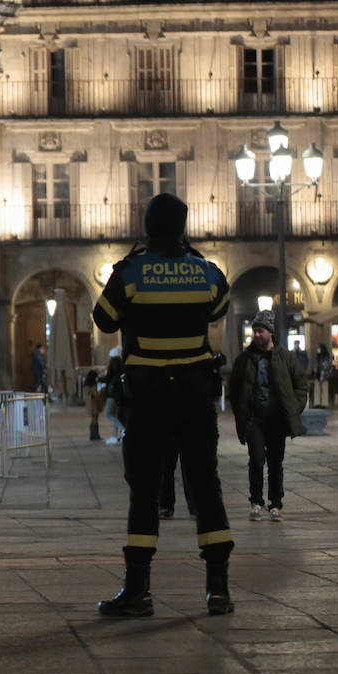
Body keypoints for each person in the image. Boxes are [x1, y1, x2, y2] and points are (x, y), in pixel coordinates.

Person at [91, 192, 235, 617]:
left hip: (148, 399)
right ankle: (218, 589)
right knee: (205, 486)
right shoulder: (206, 272)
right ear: (183, 227)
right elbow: (220, 308)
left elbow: (103, 319)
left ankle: (138, 590)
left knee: (145, 490)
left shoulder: (130, 273)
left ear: (148, 226)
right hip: (195, 397)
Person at [229, 310, 309, 521]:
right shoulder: (245, 359)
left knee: (275, 463)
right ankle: (256, 502)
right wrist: (241, 412)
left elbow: (301, 384)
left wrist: (294, 408)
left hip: (277, 419)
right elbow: (234, 389)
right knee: (256, 460)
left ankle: (276, 503)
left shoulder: (285, 357)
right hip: (254, 419)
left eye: (260, 331)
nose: (256, 335)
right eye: (254, 331)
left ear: (270, 332)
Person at [100, 348, 125, 445]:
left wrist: (99, 379)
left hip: (112, 394)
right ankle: (114, 436)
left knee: (109, 414)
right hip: (120, 394)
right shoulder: (121, 364)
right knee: (115, 415)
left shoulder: (113, 364)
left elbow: (108, 378)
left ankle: (124, 430)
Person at [83, 369, 103, 441]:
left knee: (93, 419)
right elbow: (96, 395)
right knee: (95, 419)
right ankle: (95, 435)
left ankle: (93, 435)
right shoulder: (92, 385)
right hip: (94, 404)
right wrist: (101, 391)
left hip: (89, 405)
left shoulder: (86, 386)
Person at [313, 342, 333, 408]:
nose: (318, 349)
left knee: (325, 389)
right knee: (317, 389)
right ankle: (317, 403)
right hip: (317, 374)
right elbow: (315, 365)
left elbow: (328, 366)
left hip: (324, 375)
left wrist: (327, 373)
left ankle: (324, 403)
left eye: (319, 348)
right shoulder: (317, 357)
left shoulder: (327, 357)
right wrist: (315, 371)